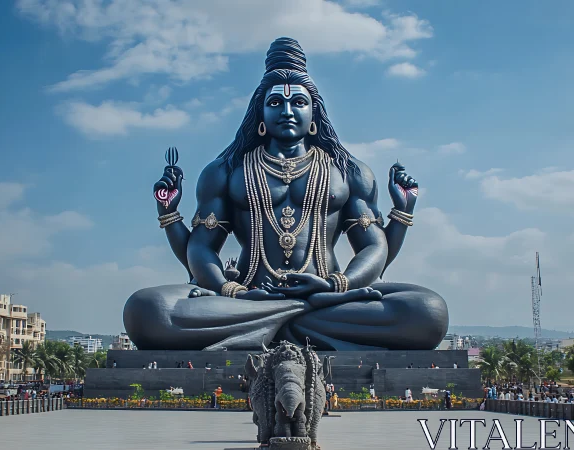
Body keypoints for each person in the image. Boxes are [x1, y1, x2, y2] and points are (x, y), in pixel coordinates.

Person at [122, 37, 448, 352]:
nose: (288, 110)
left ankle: (271, 328)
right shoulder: (225, 172)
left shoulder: (349, 172)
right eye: (276, 102)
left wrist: (338, 284)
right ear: (260, 114)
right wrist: (229, 289)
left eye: (299, 102)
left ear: (314, 114)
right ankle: (294, 325)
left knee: (428, 311)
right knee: (147, 309)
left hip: (326, 297)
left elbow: (375, 249)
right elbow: (201, 250)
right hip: (248, 298)